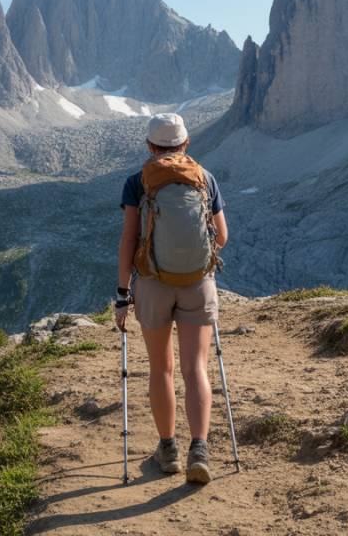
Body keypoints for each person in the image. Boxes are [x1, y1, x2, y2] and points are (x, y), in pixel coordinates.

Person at [115, 113, 228, 484]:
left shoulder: (138, 182)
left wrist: (122, 294)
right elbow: (222, 236)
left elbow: (128, 240)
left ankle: (168, 450)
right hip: (197, 283)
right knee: (195, 368)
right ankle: (200, 450)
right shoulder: (204, 177)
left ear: (150, 146)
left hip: (152, 284)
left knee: (161, 368)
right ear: (186, 143)